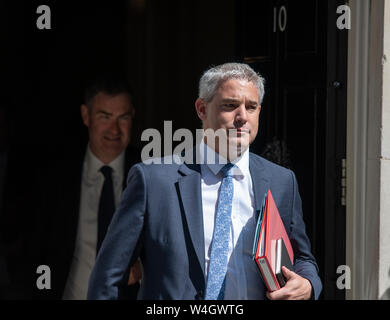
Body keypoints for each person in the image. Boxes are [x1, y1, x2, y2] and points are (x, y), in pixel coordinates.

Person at [87, 63, 322, 300]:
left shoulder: (282, 182)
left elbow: (302, 258)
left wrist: (308, 284)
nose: (242, 117)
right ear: (202, 109)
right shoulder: (153, 180)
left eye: (251, 107)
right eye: (230, 106)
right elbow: (107, 278)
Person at [30, 77, 141, 300]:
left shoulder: (152, 176)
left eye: (123, 118)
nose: (114, 129)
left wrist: (145, 269)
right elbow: (36, 253)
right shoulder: (54, 178)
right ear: (85, 115)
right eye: (105, 117)